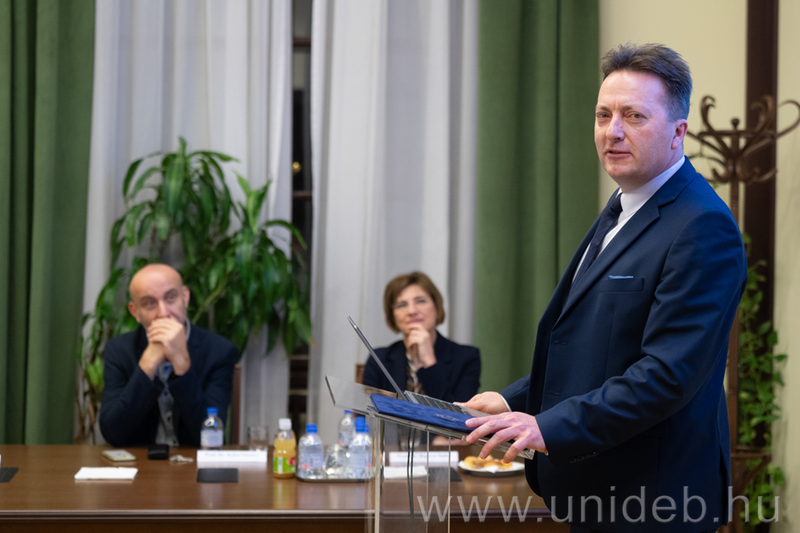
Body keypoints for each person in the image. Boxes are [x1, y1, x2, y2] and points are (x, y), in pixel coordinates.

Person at [461, 43, 747, 533]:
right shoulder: (624, 204)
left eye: (634, 116)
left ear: (678, 133)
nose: (612, 131)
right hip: (601, 494)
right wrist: (512, 402)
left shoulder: (702, 226)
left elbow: (665, 376)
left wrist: (546, 426)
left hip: (655, 504)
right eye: (603, 114)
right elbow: (597, 351)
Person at [99, 264, 239, 447]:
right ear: (135, 312)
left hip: (194, 461)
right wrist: (147, 366)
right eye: (150, 303)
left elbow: (211, 435)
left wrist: (182, 364)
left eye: (171, 298)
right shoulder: (119, 350)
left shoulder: (219, 351)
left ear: (185, 297)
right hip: (140, 460)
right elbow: (113, 433)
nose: (163, 313)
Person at [362, 271, 480, 403]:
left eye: (421, 301)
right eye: (402, 305)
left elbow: (459, 413)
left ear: (437, 307)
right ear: (392, 315)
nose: (411, 311)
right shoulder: (379, 359)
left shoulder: (467, 358)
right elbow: (366, 410)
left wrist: (429, 361)